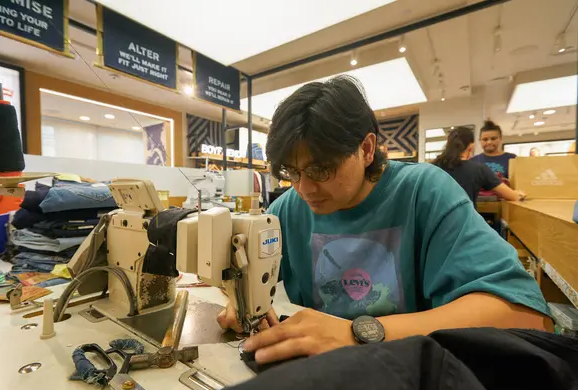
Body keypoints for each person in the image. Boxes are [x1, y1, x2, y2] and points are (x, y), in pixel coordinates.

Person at [217, 76, 550, 366]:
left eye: (320, 169)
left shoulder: (425, 192)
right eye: (292, 172)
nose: (304, 188)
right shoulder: (289, 209)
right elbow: (248, 275)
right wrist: (240, 300)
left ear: (366, 148)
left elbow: (523, 315)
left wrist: (358, 333)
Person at [433, 126, 526, 206]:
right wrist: (519, 194)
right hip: (465, 222)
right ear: (471, 146)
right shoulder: (478, 168)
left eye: (493, 138)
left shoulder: (433, 167)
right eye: (485, 139)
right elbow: (513, 196)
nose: (489, 142)